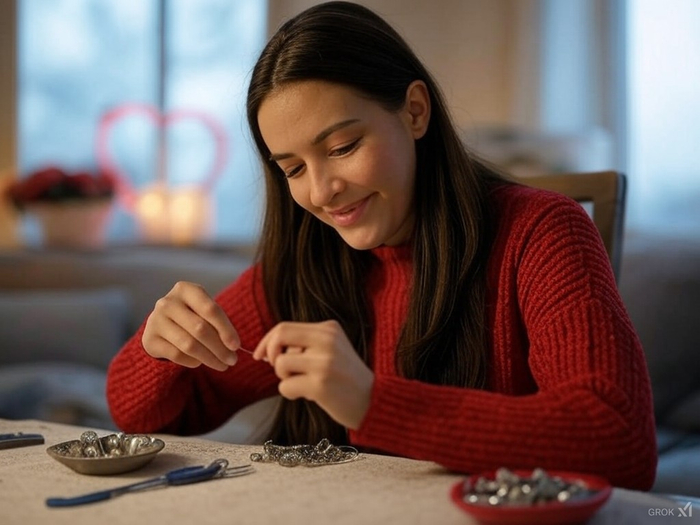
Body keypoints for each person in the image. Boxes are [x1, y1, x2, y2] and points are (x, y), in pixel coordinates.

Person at [107, 1, 657, 490]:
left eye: (343, 147)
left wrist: (374, 404)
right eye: (293, 168)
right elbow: (142, 417)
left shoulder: (539, 232)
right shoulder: (304, 266)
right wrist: (158, 350)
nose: (322, 192)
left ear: (415, 111)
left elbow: (619, 442)